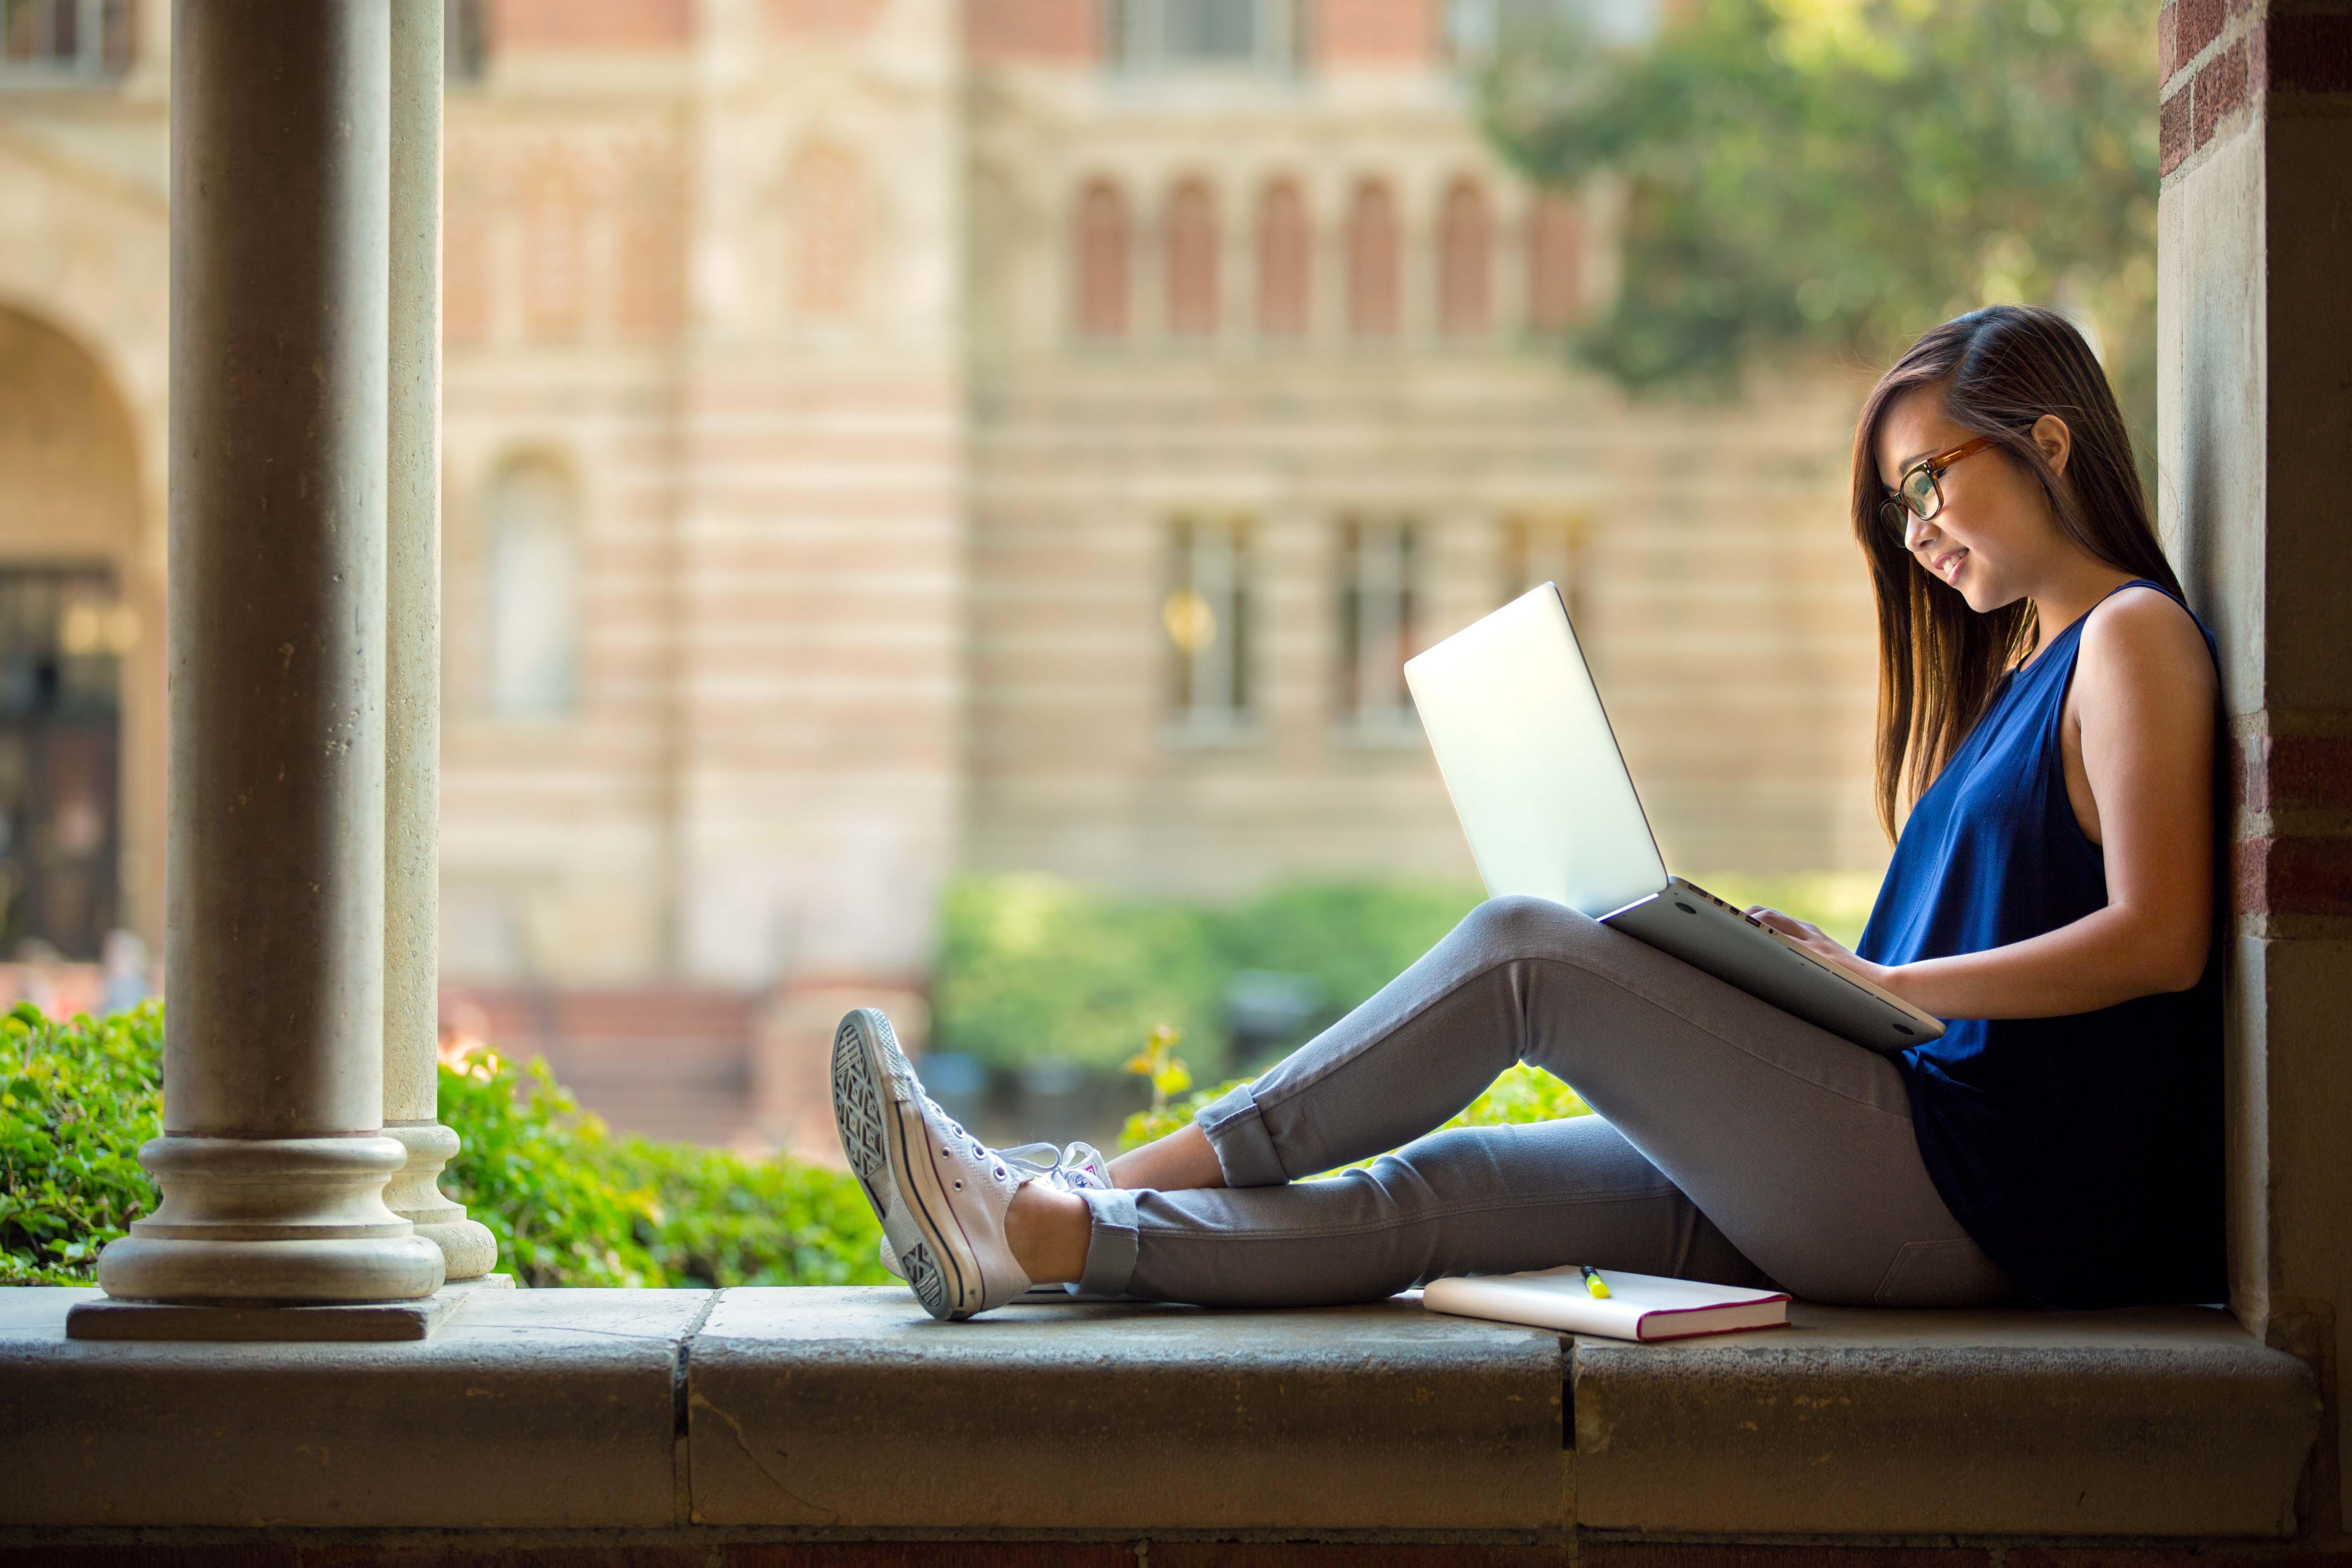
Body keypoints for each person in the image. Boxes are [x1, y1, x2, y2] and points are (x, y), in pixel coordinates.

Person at [831, 304, 2226, 1322]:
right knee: (1447, 1194)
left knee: (1528, 951)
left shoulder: (2131, 638)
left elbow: (2160, 938)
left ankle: (1092, 1174)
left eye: (1931, 479)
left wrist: (1882, 981)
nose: (1916, 525)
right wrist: (1797, 980)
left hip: (1977, 1196)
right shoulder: (2028, 672)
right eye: (1894, 501)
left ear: (2047, 439)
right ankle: (1038, 1234)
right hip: (1897, 1164)